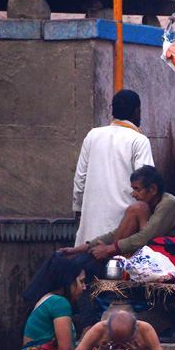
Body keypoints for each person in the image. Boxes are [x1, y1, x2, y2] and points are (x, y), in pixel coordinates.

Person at [72, 90, 155, 247]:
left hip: (92, 225)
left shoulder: (92, 136)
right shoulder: (139, 140)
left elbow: (80, 179)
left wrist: (78, 209)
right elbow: (146, 185)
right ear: (136, 112)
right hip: (123, 229)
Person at [60, 166, 175, 264]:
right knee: (136, 209)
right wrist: (78, 249)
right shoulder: (149, 204)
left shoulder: (169, 204)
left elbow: (145, 237)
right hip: (159, 253)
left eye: (137, 189)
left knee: (138, 208)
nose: (133, 194)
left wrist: (109, 250)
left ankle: (110, 262)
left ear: (153, 189)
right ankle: (111, 263)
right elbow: (117, 233)